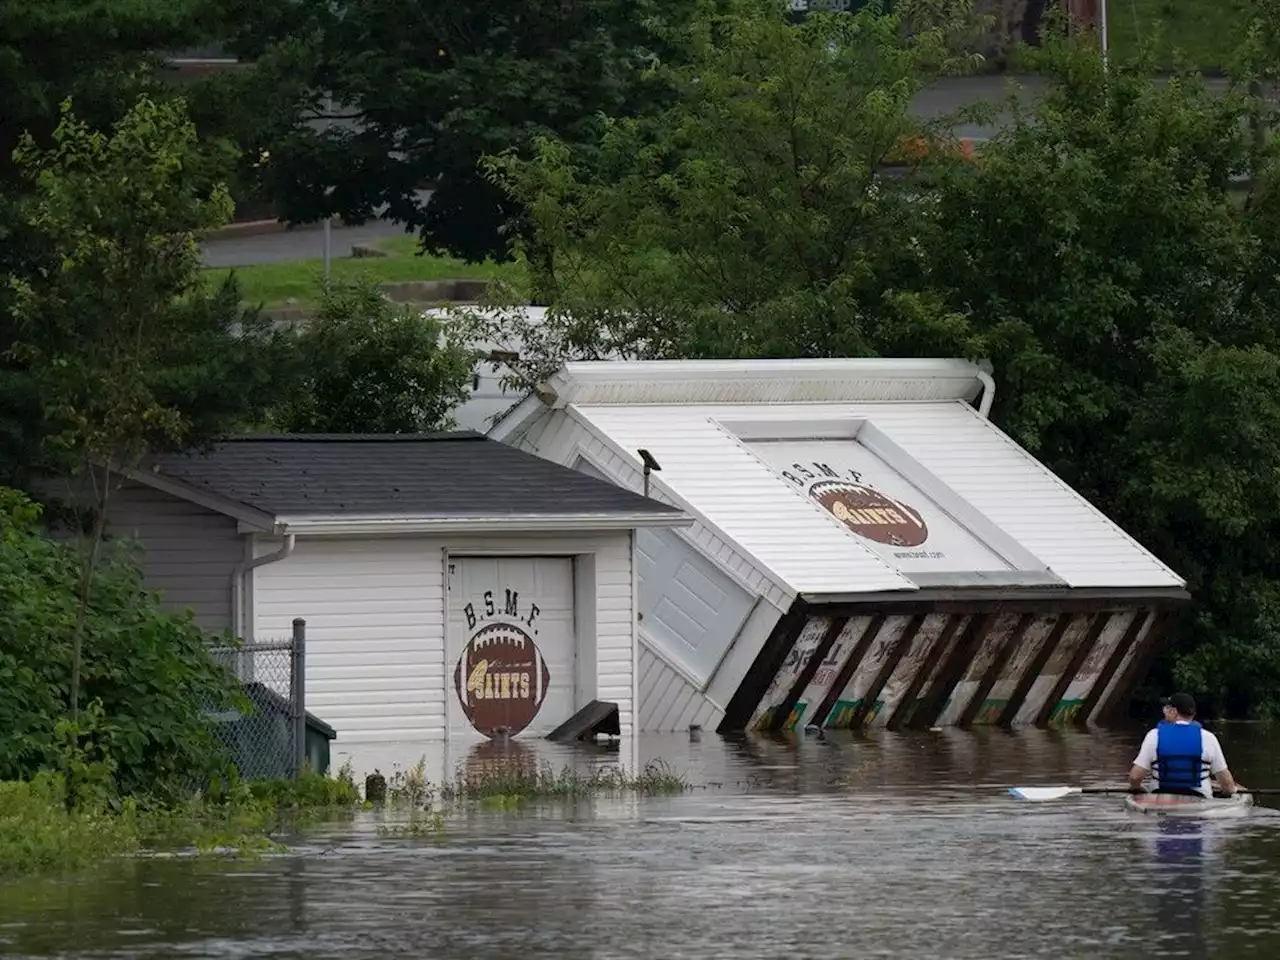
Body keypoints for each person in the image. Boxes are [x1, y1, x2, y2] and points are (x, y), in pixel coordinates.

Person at [1128, 693, 1238, 798]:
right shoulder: (1209, 738)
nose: (1164, 711)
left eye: (1166, 708)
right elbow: (1226, 782)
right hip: (1200, 800)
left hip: (1160, 798)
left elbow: (1135, 776)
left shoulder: (1154, 735)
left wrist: (1136, 789)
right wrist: (1228, 792)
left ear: (1174, 712)